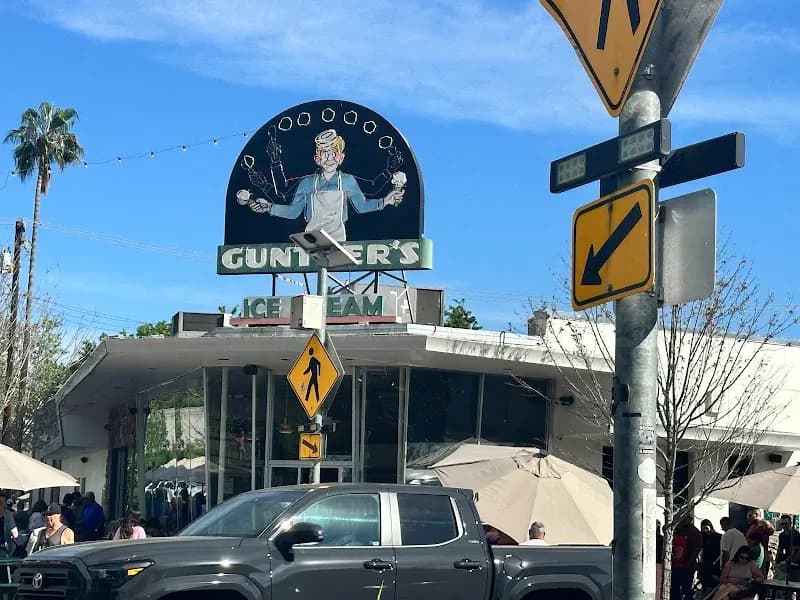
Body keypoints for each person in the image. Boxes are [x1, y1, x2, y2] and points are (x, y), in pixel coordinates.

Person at [241, 128, 405, 242]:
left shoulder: (347, 181)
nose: (328, 158)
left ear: (340, 158)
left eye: (332, 153)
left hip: (339, 239)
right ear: (317, 158)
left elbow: (362, 204)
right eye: (324, 153)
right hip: (311, 239)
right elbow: (293, 211)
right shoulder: (307, 183)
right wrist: (270, 207)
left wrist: (385, 201)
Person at [671, 516, 702, 600]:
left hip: (687, 564)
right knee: (678, 588)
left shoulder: (694, 532)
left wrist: (690, 561)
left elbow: (696, 549)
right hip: (681, 564)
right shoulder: (681, 530)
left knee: (685, 589)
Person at [745, 508, 774, 572]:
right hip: (751, 555)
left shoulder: (762, 525)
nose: (748, 518)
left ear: (756, 515)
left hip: (761, 556)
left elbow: (771, 530)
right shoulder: (751, 527)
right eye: (747, 516)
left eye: (750, 516)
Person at [699, 519, 723, 593]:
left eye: (706, 528)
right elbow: (702, 550)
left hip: (716, 560)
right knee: (705, 579)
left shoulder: (718, 537)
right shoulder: (703, 537)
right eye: (703, 529)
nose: (705, 531)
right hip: (706, 561)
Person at [775, 514, 800, 579]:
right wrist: (776, 560)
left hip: (796, 562)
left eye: (786, 524)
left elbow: (796, 551)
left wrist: (790, 562)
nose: (784, 526)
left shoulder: (795, 534)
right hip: (787, 559)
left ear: (790, 523)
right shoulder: (782, 535)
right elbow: (780, 548)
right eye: (782, 524)